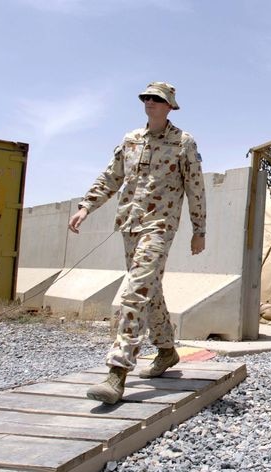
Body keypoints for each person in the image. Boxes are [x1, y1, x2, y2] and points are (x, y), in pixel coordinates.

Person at [68, 81, 206, 404]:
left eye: (157, 99)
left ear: (170, 105)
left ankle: (117, 374)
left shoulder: (183, 143)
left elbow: (196, 188)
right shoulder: (131, 141)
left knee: (134, 292)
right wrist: (86, 206)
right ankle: (168, 350)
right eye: (146, 97)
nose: (150, 102)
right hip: (130, 226)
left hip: (160, 227)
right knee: (149, 292)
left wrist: (199, 229)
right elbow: (111, 177)